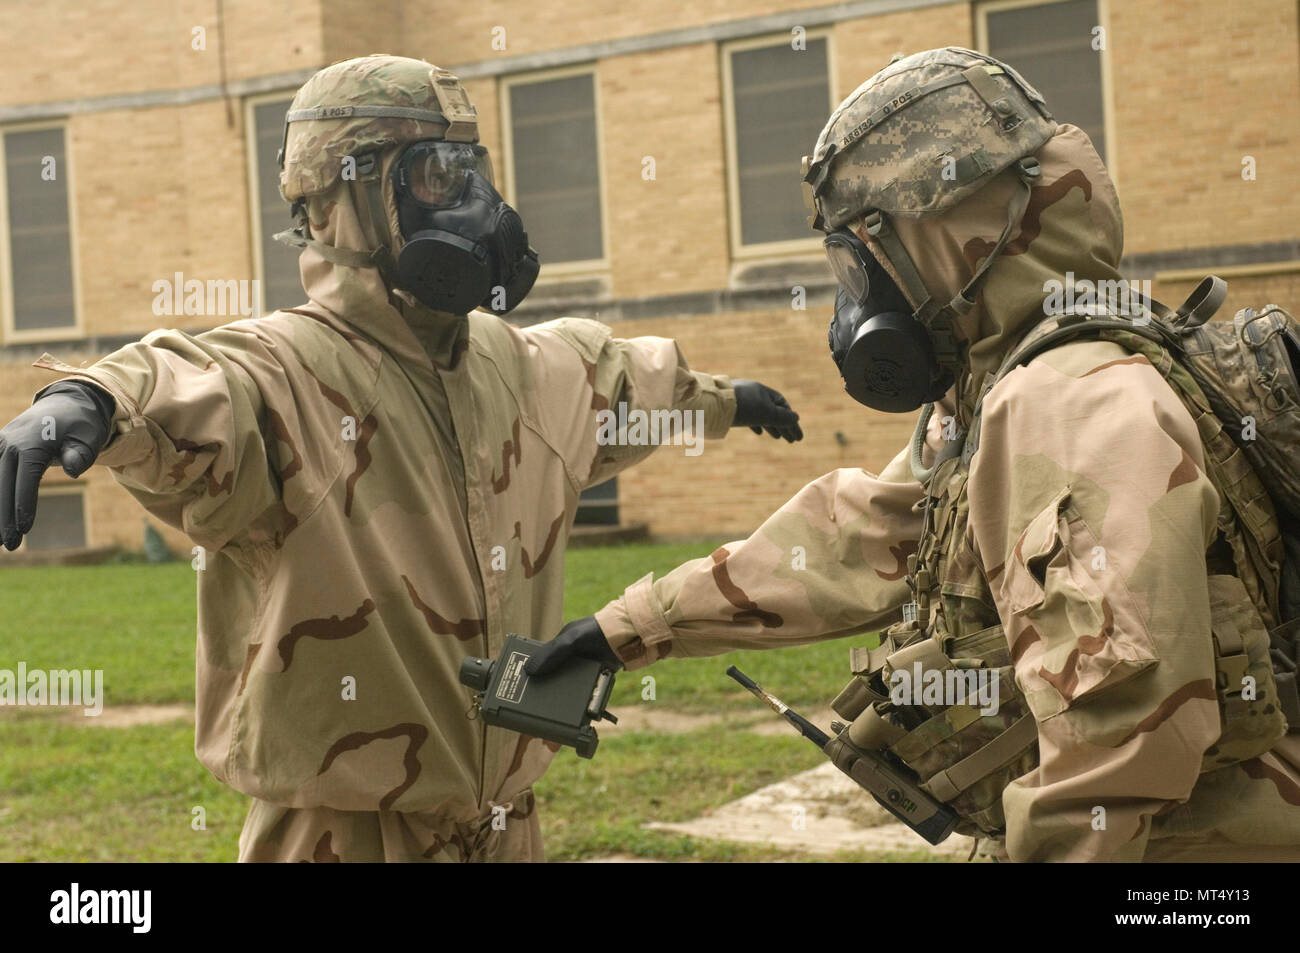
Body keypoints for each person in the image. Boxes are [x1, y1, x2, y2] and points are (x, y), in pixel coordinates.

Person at [0, 54, 803, 862]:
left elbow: (625, 379)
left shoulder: (516, 366)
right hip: (343, 837)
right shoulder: (289, 375)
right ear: (331, 205)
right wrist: (91, 403)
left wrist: (727, 399)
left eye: (469, 168)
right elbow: (191, 383)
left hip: (504, 825)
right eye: (430, 175)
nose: (472, 204)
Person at [528, 47, 1300, 861]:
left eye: (859, 261)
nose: (857, 300)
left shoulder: (1068, 401)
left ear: (941, 235)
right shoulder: (1011, 378)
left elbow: (1114, 738)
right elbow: (860, 536)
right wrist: (626, 628)